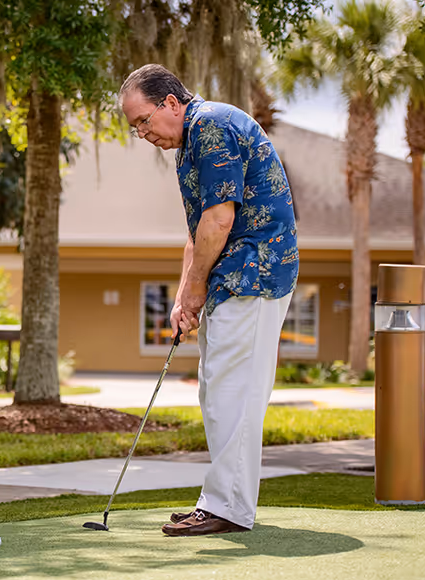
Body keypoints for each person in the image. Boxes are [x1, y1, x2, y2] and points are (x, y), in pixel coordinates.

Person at [119, 64, 299, 536]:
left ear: (171, 103)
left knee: (234, 393)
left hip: (254, 271)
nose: (142, 134)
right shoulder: (190, 144)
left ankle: (229, 508)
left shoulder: (212, 126)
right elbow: (198, 232)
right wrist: (184, 297)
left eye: (143, 121)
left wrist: (196, 288)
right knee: (218, 390)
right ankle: (220, 501)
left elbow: (220, 220)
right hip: (232, 275)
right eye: (134, 126)